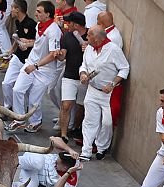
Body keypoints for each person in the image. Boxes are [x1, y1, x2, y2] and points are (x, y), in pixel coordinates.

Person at [5, 1, 61, 133]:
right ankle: (19, 119)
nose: (36, 13)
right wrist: (28, 43)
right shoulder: (39, 26)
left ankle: (36, 122)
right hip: (30, 63)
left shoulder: (54, 31)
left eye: (39, 11)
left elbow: (53, 54)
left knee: (33, 99)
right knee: (17, 90)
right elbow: (38, 44)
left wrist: (35, 66)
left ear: (47, 14)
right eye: (36, 10)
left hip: (45, 70)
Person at [77, 25, 129, 161]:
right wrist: (83, 74)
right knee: (89, 121)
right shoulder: (89, 48)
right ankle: (86, 150)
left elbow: (124, 69)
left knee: (107, 122)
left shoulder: (114, 50)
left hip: (109, 94)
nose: (86, 38)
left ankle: (102, 147)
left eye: (89, 35)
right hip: (92, 90)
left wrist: (112, 84)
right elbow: (84, 65)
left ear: (97, 38)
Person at [53, 11, 87, 144]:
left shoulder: (91, 34)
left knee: (82, 107)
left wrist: (88, 46)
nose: (67, 24)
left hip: (85, 78)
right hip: (70, 76)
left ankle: (76, 128)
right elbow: (63, 56)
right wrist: (59, 54)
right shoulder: (67, 36)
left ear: (76, 25)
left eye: (70, 22)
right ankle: (63, 134)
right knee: (66, 105)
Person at [12, 137, 82, 187]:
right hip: (33, 159)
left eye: (57, 163)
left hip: (34, 174)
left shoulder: (69, 185)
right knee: (38, 163)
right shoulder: (73, 159)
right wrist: (70, 150)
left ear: (65, 168)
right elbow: (52, 138)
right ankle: (11, 160)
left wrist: (68, 172)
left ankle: (7, 186)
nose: (55, 163)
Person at [46, 0, 78, 124]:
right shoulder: (59, 13)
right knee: (52, 89)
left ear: (65, 2)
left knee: (60, 90)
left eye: (59, 0)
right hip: (58, 54)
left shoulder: (73, 15)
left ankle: (67, 120)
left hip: (65, 57)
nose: (56, 1)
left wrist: (60, 27)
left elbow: (71, 35)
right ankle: (63, 115)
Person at [1, 0, 36, 110]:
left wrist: (28, 43)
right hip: (17, 57)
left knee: (25, 89)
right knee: (6, 83)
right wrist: (10, 51)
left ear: (18, 10)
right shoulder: (17, 22)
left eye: (12, 7)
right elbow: (18, 38)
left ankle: (25, 109)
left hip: (28, 60)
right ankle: (8, 107)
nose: (10, 10)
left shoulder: (31, 25)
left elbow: (38, 42)